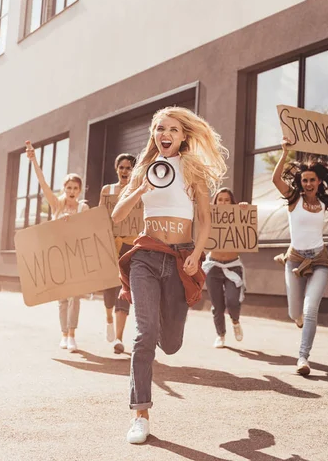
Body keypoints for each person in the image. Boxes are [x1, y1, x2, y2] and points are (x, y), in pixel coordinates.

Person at [112, 106, 227, 444]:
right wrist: (140, 189)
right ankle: (140, 414)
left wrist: (196, 254)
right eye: (160, 128)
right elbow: (118, 216)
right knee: (143, 335)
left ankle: (161, 326)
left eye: (174, 129)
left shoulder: (193, 171)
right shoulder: (145, 169)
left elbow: (205, 220)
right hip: (145, 258)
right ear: (154, 135)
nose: (166, 134)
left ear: (183, 136)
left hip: (179, 261)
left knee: (171, 344)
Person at [272, 138, 328, 376]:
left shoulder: (324, 201)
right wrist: (285, 152)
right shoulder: (294, 199)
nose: (308, 183)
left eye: (312, 179)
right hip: (295, 260)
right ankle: (298, 320)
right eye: (304, 180)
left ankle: (303, 357)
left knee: (311, 310)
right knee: (294, 313)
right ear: (301, 182)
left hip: (320, 259)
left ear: (319, 182)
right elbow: (276, 180)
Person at [25, 140, 89, 353]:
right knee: (62, 298)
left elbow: (89, 232)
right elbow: (43, 183)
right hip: (58, 257)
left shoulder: (83, 207)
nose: (72, 191)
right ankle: (63, 334)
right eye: (68, 187)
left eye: (75, 188)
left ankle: (72, 334)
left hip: (76, 257)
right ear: (64, 189)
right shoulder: (57, 205)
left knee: (75, 297)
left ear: (79, 190)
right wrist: (34, 160)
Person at [99, 153, 136, 354]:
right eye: (121, 167)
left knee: (125, 288)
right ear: (116, 169)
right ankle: (108, 319)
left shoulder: (137, 191)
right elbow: (99, 215)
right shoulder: (108, 190)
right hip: (110, 244)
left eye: (129, 168)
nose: (125, 171)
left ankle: (119, 338)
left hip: (130, 245)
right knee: (109, 287)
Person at [202, 188, 248, 348]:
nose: (223, 203)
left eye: (226, 200)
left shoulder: (237, 216)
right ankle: (220, 335)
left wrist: (243, 211)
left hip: (233, 266)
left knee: (232, 301)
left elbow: (246, 233)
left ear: (232, 202)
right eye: (219, 200)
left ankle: (235, 321)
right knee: (218, 305)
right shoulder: (209, 217)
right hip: (213, 267)